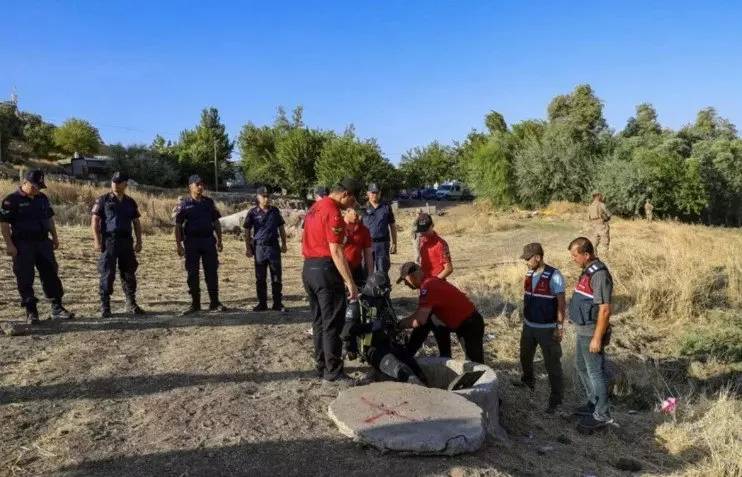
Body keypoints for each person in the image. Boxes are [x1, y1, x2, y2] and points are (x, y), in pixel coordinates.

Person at [302, 177, 360, 382]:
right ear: (345, 194)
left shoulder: (314, 208)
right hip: (325, 270)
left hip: (308, 269)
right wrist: (350, 282)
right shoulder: (332, 211)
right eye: (352, 201)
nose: (352, 207)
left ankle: (321, 365)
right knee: (332, 323)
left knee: (318, 321)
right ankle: (333, 370)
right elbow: (335, 249)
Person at [0, 170, 74, 323]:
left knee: (51, 274)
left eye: (39, 186)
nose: (37, 189)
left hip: (43, 243)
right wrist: (9, 245)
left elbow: (49, 219)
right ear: (25, 182)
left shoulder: (42, 198)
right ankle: (31, 311)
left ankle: (57, 307)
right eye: (34, 186)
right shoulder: (11, 200)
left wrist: (55, 237)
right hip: (22, 244)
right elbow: (4, 224)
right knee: (25, 276)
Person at [341, 271, 426, 385]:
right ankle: (419, 391)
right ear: (375, 288)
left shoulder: (384, 301)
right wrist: (372, 326)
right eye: (384, 290)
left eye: (388, 289)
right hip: (372, 349)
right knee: (401, 371)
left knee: (413, 365)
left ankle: (427, 386)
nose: (386, 293)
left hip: (389, 343)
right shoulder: (358, 304)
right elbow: (346, 332)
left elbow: (392, 322)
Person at [567, 237, 615, 431]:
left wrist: (597, 337)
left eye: (574, 255)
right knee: (581, 366)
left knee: (595, 372)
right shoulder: (588, 270)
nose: (572, 259)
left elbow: (605, 310)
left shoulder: (600, 275)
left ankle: (602, 414)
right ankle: (593, 403)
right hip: (582, 330)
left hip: (591, 332)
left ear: (586, 254)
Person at [396, 262, 485, 363]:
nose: (405, 284)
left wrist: (399, 325)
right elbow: (422, 317)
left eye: (405, 280)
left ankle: (408, 356)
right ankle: (410, 356)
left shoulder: (428, 287)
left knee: (475, 366)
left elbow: (419, 320)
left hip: (470, 325)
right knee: (430, 319)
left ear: (411, 277)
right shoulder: (430, 281)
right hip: (464, 322)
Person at [517, 243, 566, 413]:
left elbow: (561, 303)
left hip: (547, 328)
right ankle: (528, 382)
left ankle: (556, 399)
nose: (526, 262)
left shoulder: (555, 275)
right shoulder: (530, 272)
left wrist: (559, 327)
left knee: (552, 365)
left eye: (528, 259)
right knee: (524, 356)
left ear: (538, 257)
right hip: (529, 326)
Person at [91, 172, 145, 318]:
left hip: (126, 241)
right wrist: (97, 240)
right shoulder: (103, 200)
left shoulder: (130, 202)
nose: (115, 183)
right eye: (113, 181)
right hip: (109, 240)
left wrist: (139, 241)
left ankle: (131, 303)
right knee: (107, 273)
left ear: (125, 184)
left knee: (129, 272)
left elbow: (136, 222)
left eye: (119, 182)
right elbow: (95, 221)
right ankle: (105, 305)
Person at [174, 175, 227, 315]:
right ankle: (195, 304)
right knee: (192, 273)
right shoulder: (184, 203)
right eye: (197, 184)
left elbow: (216, 222)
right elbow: (178, 225)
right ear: (190, 186)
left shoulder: (209, 202)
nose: (200, 187)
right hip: (191, 242)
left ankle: (214, 302)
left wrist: (220, 240)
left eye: (202, 184)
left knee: (212, 272)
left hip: (208, 241)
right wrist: (179, 245)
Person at [405, 212, 453, 358]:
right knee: (422, 325)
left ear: (432, 226)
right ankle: (407, 355)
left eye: (426, 230)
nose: (424, 233)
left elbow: (449, 268)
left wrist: (434, 282)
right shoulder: (422, 242)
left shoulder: (441, 244)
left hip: (438, 289)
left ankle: (446, 359)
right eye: (421, 231)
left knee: (440, 327)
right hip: (426, 288)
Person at [244, 186, 287, 312]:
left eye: (268, 196)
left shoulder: (275, 211)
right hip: (259, 248)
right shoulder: (252, 212)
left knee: (276, 276)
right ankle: (262, 303)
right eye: (264, 196)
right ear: (258, 197)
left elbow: (281, 228)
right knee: (260, 277)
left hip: (273, 246)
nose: (267, 199)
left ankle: (277, 303)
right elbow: (247, 230)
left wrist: (284, 244)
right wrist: (248, 248)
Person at [361, 183, 397, 281]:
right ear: (368, 193)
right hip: (367, 245)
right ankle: (367, 294)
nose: (374, 195)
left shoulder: (386, 207)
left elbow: (392, 226)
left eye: (376, 193)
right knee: (366, 271)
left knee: (383, 271)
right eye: (372, 193)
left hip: (382, 244)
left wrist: (394, 243)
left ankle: (384, 294)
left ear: (380, 193)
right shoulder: (362, 209)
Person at [343, 208, 374, 287]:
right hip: (341, 268)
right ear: (347, 212)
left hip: (357, 267)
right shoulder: (338, 228)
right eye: (355, 215)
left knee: (360, 292)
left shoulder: (364, 230)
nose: (358, 217)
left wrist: (371, 274)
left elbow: (368, 254)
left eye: (360, 215)